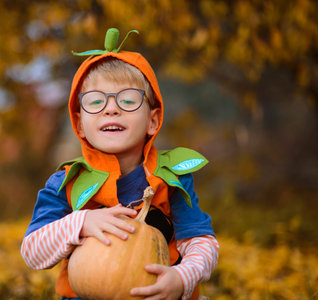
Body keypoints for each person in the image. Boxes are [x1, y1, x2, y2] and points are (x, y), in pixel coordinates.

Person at [21, 28, 219, 300]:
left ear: (153, 120)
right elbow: (32, 251)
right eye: (95, 101)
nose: (111, 108)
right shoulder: (67, 182)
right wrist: (81, 222)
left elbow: (201, 242)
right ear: (79, 123)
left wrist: (183, 278)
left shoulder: (171, 179)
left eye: (127, 100)